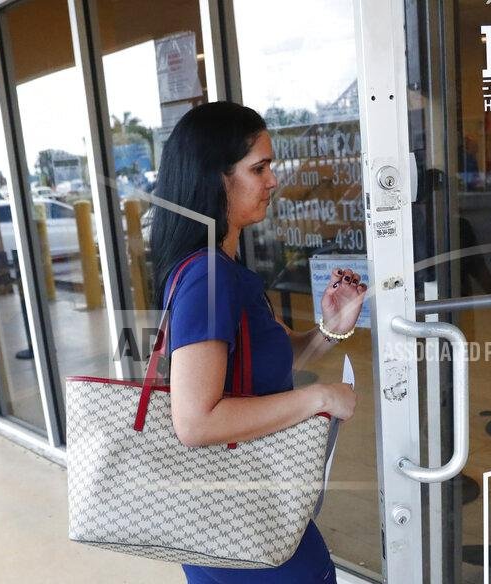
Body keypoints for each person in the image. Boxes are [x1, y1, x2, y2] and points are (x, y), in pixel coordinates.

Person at [147, 101, 364, 584]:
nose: (272, 181)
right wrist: (318, 397)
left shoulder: (222, 270)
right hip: (242, 526)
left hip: (252, 512)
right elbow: (196, 421)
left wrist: (329, 327)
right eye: (258, 168)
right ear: (214, 178)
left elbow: (268, 360)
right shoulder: (207, 277)